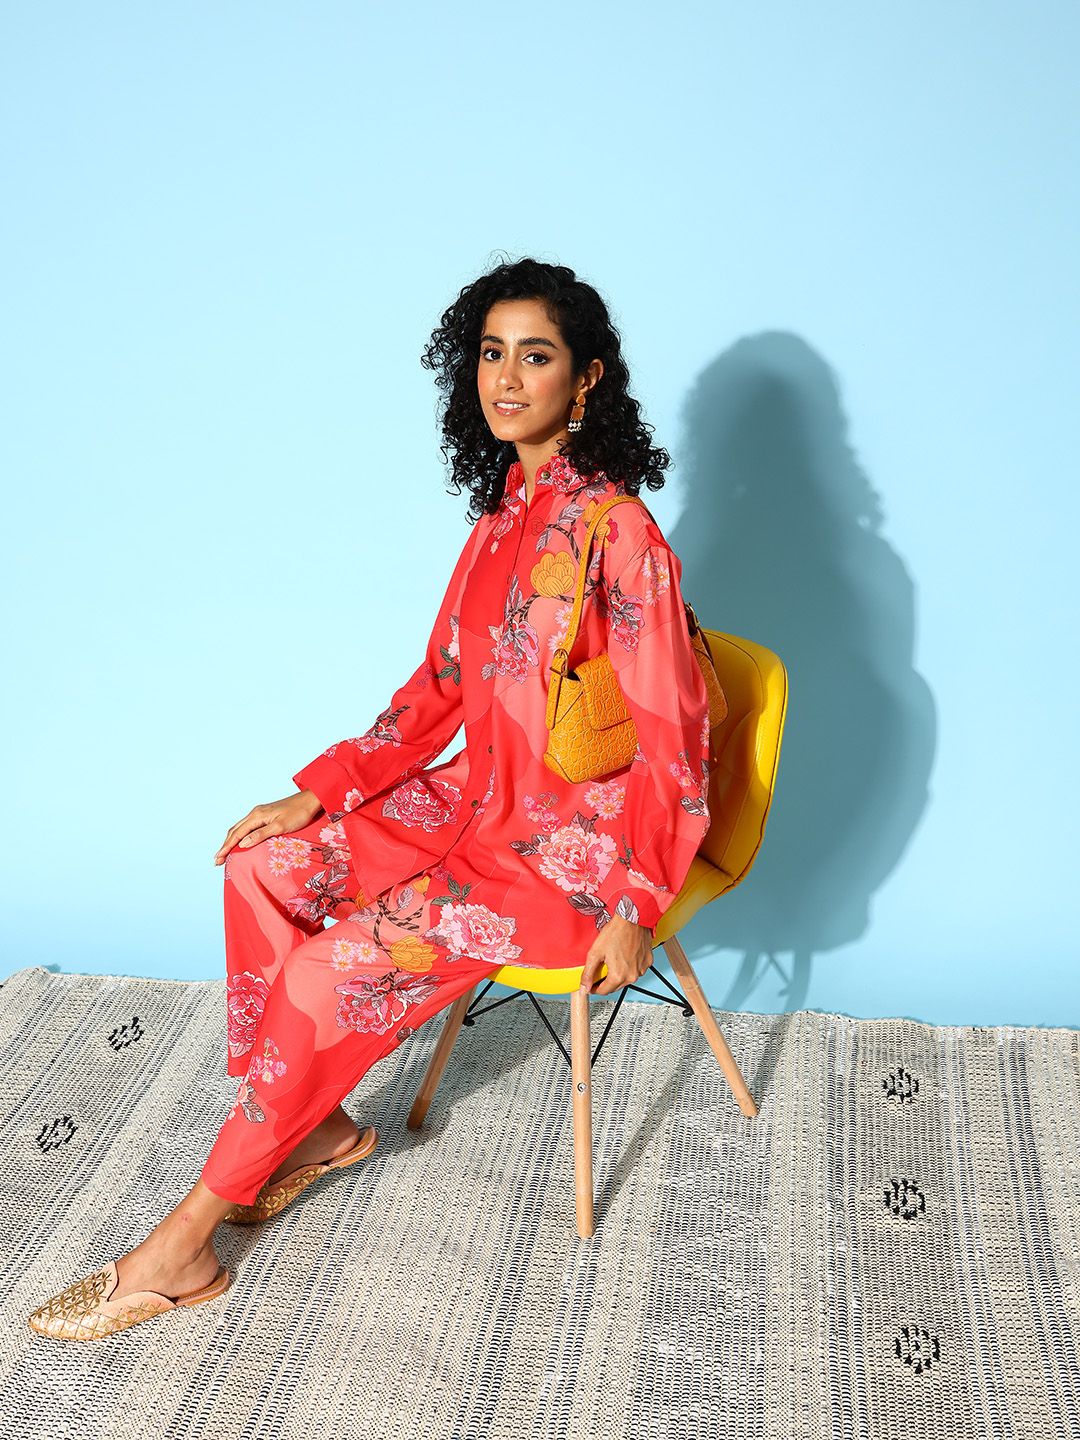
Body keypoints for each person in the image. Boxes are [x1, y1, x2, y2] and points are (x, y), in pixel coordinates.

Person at [27, 256, 712, 1340]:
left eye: (535, 356)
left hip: (563, 854)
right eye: (491, 353)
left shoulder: (620, 534)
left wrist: (636, 900)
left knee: (321, 970)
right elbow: (438, 687)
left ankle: (189, 1237)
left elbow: (676, 739)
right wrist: (321, 791)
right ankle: (314, 1126)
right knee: (260, 867)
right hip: (469, 803)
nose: (506, 378)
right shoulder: (500, 519)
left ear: (585, 380)